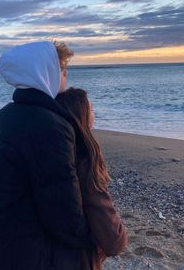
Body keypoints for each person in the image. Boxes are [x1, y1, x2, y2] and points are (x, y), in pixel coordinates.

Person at [0, 40, 93, 270]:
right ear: (46, 73)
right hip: (20, 251)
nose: (65, 75)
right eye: (61, 70)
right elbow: (63, 208)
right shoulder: (50, 127)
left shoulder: (2, 117)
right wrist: (90, 241)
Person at [56, 87, 128, 270]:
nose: (94, 113)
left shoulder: (55, 153)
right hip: (77, 259)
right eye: (92, 109)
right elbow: (114, 241)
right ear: (82, 116)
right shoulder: (84, 160)